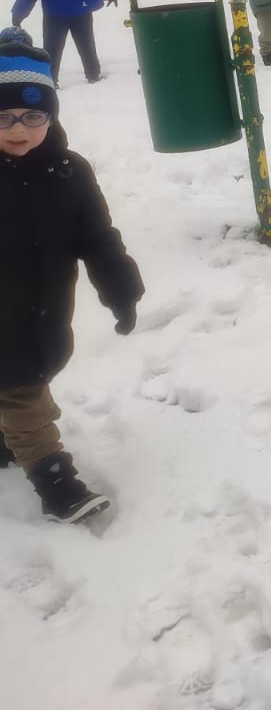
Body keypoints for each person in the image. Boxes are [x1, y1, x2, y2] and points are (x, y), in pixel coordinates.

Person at [0, 27, 143, 524]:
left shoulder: (69, 172)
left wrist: (120, 288)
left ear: (52, 115)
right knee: (25, 396)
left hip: (44, 314)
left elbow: (97, 237)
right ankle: (56, 484)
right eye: (3, 117)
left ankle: (7, 439)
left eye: (32, 116)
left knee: (23, 382)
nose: (19, 129)